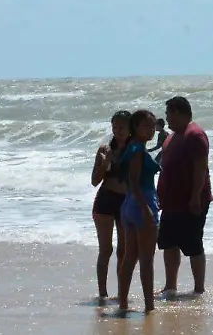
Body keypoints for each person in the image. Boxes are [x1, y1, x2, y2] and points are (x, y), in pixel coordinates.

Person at [157, 95, 213, 298]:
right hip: (170, 202)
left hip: (190, 201)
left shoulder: (194, 135)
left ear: (180, 113)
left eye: (169, 114)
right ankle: (170, 286)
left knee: (193, 244)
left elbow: (201, 168)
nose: (167, 118)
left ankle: (199, 289)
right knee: (169, 243)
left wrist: (196, 197)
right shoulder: (172, 137)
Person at [116, 109, 161, 313]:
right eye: (146, 126)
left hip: (129, 204)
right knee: (145, 259)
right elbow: (134, 182)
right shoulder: (136, 149)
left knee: (130, 256)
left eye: (153, 126)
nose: (151, 129)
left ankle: (123, 303)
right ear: (135, 127)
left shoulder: (134, 147)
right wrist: (146, 208)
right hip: (141, 202)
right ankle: (149, 306)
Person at [92, 110, 131, 301]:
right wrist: (105, 163)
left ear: (130, 128)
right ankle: (102, 293)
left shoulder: (135, 149)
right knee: (105, 249)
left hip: (126, 202)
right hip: (106, 200)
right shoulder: (104, 149)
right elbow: (94, 181)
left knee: (123, 250)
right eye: (114, 127)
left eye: (122, 127)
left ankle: (120, 293)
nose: (118, 131)